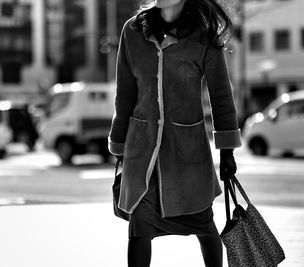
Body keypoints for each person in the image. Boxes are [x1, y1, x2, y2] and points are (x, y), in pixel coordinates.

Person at [108, 0, 241, 266]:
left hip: (187, 155)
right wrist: (119, 146)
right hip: (142, 153)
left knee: (204, 225)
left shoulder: (202, 35)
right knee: (139, 227)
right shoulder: (133, 31)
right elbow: (124, 94)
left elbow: (221, 97)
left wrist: (227, 151)